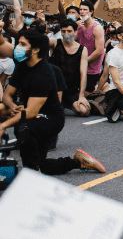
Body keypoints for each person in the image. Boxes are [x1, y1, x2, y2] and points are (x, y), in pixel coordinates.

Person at [0, 29, 105, 174]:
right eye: (18, 43)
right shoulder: (23, 65)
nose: (17, 47)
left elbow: (31, 112)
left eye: (22, 44)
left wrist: (3, 126)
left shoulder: (44, 73)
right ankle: (76, 162)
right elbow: (7, 95)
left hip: (51, 118)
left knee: (23, 127)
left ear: (35, 49)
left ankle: (32, 171)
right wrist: (13, 106)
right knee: (41, 164)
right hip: (31, 111)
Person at [50, 20, 89, 116]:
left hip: (72, 90)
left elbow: (83, 73)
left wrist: (81, 96)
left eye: (69, 31)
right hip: (55, 89)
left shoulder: (82, 49)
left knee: (84, 111)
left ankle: (67, 104)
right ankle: (59, 103)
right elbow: (39, 40)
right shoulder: (55, 43)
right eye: (63, 31)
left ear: (76, 32)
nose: (66, 33)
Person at [76, 1, 105, 107]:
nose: (82, 12)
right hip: (79, 64)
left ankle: (101, 92)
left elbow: (99, 51)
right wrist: (76, 29)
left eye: (85, 10)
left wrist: (84, 61)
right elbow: (70, 41)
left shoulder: (97, 28)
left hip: (92, 67)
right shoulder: (78, 25)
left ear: (91, 12)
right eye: (80, 10)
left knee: (87, 94)